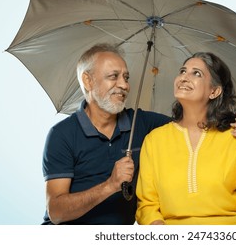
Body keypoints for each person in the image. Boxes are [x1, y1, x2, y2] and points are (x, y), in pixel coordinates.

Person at [41, 43, 171, 224]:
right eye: (113, 76)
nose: (124, 85)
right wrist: (110, 185)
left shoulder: (141, 123)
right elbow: (56, 212)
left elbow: (190, 124)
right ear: (88, 81)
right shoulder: (62, 134)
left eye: (126, 77)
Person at [136, 52, 236, 225]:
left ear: (214, 91)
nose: (184, 77)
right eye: (183, 71)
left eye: (196, 73)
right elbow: (147, 206)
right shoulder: (154, 140)